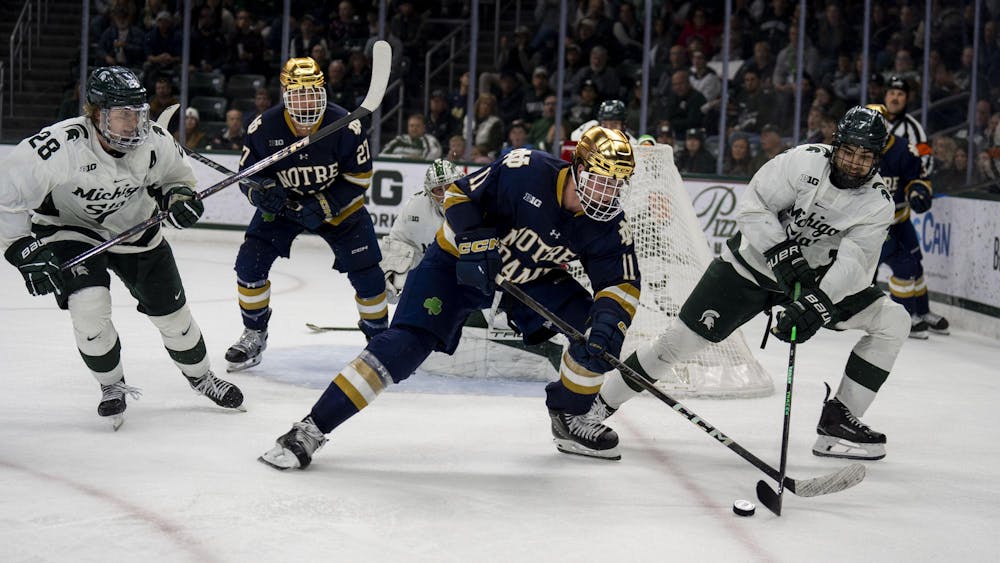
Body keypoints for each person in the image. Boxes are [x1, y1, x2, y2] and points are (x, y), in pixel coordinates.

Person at [259, 127, 641, 469]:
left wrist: (609, 318)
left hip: (528, 278)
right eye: (601, 180)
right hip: (458, 263)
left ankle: (568, 416)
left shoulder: (610, 225)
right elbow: (459, 194)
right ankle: (311, 427)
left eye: (617, 184)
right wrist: (474, 237)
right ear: (576, 166)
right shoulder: (525, 169)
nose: (609, 193)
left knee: (597, 334)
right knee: (405, 345)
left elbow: (621, 284)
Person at [594, 106, 909, 462]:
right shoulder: (802, 162)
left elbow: (855, 262)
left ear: (877, 159)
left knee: (893, 321)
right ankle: (597, 406)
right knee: (676, 342)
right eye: (848, 151)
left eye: (865, 156)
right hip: (749, 267)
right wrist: (780, 251)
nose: (854, 162)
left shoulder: (877, 203)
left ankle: (838, 423)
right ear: (835, 146)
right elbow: (753, 206)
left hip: (811, 279)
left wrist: (817, 304)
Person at [0, 66, 244, 429]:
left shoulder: (155, 142)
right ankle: (112, 385)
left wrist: (179, 198)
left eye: (139, 113)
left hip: (136, 228)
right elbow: (9, 193)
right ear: (96, 114)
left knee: (173, 318)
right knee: (88, 308)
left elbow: (177, 180)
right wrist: (20, 248)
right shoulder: (60, 145)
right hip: (70, 229)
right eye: (122, 114)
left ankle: (202, 377)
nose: (134, 124)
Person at [225, 57, 387, 371]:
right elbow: (248, 175)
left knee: (369, 276)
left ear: (323, 92)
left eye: (313, 92)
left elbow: (359, 178)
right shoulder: (264, 127)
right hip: (286, 208)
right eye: (299, 93)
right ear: (285, 94)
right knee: (249, 265)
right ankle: (254, 334)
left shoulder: (346, 125)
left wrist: (325, 204)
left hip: (339, 208)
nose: (307, 100)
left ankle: (380, 343)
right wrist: (261, 192)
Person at [866, 104, 947, 339]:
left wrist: (917, 192)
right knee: (896, 267)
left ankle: (921, 311)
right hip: (873, 227)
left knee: (915, 266)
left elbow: (917, 178)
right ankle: (903, 317)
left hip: (901, 221)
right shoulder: (860, 151)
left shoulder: (903, 148)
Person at [884, 75, 933, 178]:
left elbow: (926, 160)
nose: (895, 98)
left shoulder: (914, 128)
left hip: (898, 188)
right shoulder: (872, 121)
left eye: (900, 94)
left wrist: (914, 181)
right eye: (891, 93)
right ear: (885, 96)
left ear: (906, 99)